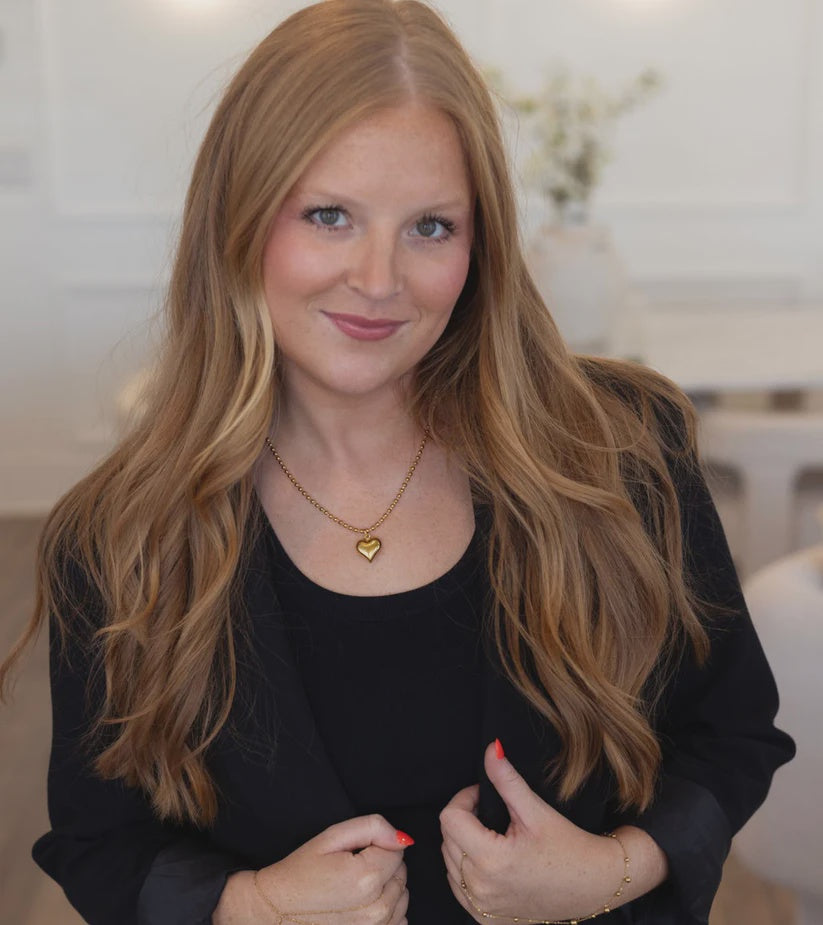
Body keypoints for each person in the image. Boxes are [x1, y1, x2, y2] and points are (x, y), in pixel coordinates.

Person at [0, 1, 794, 923]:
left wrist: (611, 869)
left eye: (430, 227)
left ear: (480, 242)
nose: (379, 280)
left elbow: (729, 732)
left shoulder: (622, 446)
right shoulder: (115, 536)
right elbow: (99, 841)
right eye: (329, 215)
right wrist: (251, 904)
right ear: (239, 217)